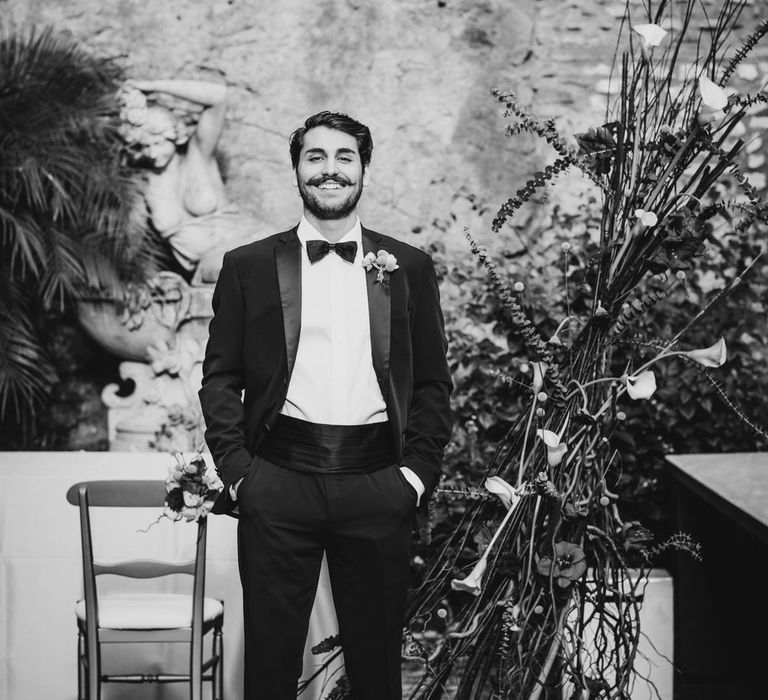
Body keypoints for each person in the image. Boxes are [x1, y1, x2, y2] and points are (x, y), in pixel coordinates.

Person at [198, 110, 453, 699]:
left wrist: (414, 477)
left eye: (344, 157)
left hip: (377, 483)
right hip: (276, 481)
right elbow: (220, 377)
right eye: (315, 157)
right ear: (296, 171)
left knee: (375, 668)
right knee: (269, 665)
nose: (329, 169)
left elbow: (432, 384)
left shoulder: (409, 266)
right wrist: (240, 475)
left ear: (363, 169)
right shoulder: (248, 266)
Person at [117, 78, 259, 283]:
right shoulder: (143, 183)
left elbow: (218, 96)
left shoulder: (199, 154)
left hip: (251, 239)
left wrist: (152, 85)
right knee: (230, 269)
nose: (153, 153)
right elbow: (132, 243)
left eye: (158, 143)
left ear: (174, 135)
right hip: (213, 266)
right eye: (144, 146)